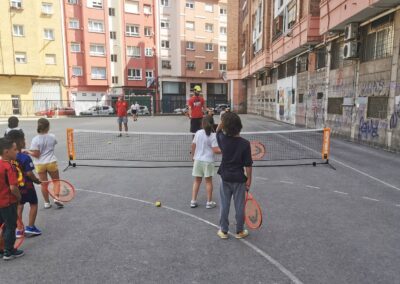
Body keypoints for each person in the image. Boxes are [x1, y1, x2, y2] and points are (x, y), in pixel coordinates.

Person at [216, 112, 253, 239]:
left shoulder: (222, 139)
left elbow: (218, 131)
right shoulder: (245, 144)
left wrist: (222, 121)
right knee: (239, 206)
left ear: (225, 126)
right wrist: (249, 180)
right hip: (239, 179)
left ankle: (223, 231)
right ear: (239, 126)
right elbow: (248, 164)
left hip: (225, 177)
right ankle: (240, 231)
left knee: (224, 204)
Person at [6, 130, 42, 237]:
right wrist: (36, 180)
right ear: (19, 142)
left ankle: (19, 229)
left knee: (19, 206)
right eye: (24, 139)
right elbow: (29, 173)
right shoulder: (25, 157)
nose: (25, 141)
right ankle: (30, 227)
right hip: (28, 187)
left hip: (16, 188)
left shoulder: (9, 158)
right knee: (34, 204)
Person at [26, 118, 63, 209]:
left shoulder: (35, 139)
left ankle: (47, 203)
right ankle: (57, 198)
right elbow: (53, 144)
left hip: (40, 164)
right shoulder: (52, 137)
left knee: (44, 184)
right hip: (51, 162)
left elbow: (36, 154)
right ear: (48, 127)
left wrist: (28, 152)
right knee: (56, 181)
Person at [0, 138, 24, 260]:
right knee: (10, 226)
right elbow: (13, 187)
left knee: (2, 225)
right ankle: (9, 251)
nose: (17, 151)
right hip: (8, 202)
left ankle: (1, 249)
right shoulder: (9, 167)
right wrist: (19, 197)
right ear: (6, 152)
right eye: (15, 149)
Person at [190, 116, 221, 209]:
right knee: (208, 182)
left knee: (196, 181)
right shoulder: (213, 136)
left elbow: (193, 145)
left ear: (202, 124)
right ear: (212, 124)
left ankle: (193, 201)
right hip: (208, 162)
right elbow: (216, 150)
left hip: (198, 160)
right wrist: (225, 150)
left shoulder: (198, 133)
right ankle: (209, 202)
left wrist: (193, 157)